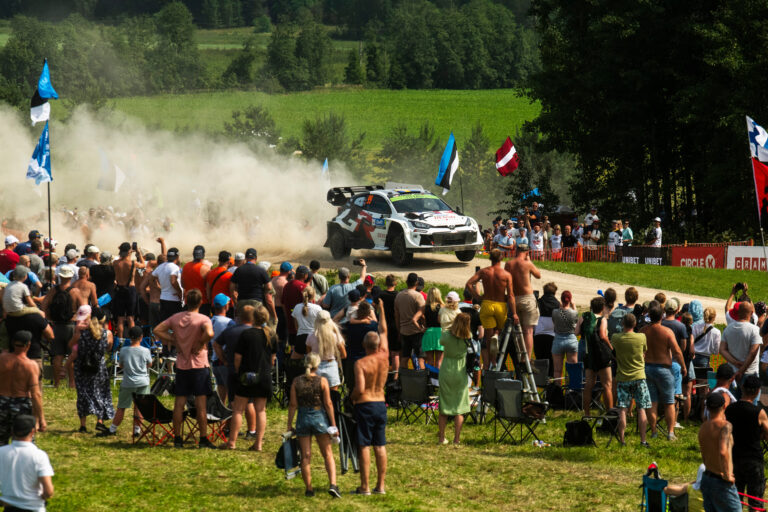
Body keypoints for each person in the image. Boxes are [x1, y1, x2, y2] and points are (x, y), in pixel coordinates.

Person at [153, 289, 215, 449]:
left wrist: (173, 340)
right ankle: (203, 438)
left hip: (182, 364)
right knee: (201, 404)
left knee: (179, 403)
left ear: (186, 301)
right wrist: (200, 343)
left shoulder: (176, 317)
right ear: (201, 302)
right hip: (199, 365)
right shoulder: (203, 318)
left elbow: (157, 330)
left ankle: (178, 438)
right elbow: (209, 333)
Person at [286, 353, 341, 498]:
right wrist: (333, 424)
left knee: (305, 456)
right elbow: (328, 404)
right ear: (318, 365)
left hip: (303, 418)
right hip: (319, 417)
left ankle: (309, 488)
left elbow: (292, 404)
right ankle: (333, 484)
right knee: (327, 453)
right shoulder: (322, 381)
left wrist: (289, 424)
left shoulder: (296, 381)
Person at [350, 299, 389, 496]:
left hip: (365, 404)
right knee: (380, 445)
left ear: (365, 345)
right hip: (381, 403)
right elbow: (384, 331)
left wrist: (352, 396)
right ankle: (380, 486)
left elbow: (360, 388)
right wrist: (381, 310)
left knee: (364, 445)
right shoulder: (385, 357)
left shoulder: (361, 363)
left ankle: (365, 486)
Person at [224, 306, 276, 451]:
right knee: (261, 410)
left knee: (238, 410)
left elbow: (237, 358)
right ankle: (258, 444)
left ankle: (232, 442)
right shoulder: (271, 335)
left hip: (247, 375)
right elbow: (272, 359)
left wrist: (237, 371)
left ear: (253, 318)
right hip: (264, 376)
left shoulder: (247, 334)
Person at [641, 304, 686, 440]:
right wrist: (683, 366)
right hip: (664, 369)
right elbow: (677, 351)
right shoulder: (667, 332)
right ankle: (670, 432)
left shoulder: (643, 331)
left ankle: (654, 431)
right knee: (669, 402)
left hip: (648, 368)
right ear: (662, 316)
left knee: (652, 402)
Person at [466, 249, 517, 369]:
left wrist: (477, 296)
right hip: (500, 305)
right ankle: (497, 334)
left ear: (490, 258)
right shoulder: (506, 275)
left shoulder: (484, 272)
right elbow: (510, 295)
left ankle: (490, 362)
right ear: (501, 258)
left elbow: (468, 284)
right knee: (498, 330)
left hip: (487, 304)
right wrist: (514, 313)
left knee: (488, 337)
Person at [99, 325, 151, 437]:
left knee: (121, 407)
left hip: (128, 382)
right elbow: (149, 364)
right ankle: (137, 430)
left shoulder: (124, 350)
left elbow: (121, 365)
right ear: (141, 337)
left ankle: (112, 429)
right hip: (142, 382)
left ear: (129, 338)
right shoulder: (145, 351)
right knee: (139, 408)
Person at [724, 375, 768, 510]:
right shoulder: (759, 412)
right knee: (755, 501)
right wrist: (760, 435)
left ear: (742, 388)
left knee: (735, 499)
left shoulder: (730, 409)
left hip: (734, 458)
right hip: (753, 459)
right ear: (757, 391)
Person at [70, 306, 114, 433]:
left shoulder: (81, 332)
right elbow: (109, 348)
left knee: (82, 393)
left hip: (82, 365)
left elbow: (72, 345)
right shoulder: (107, 333)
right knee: (100, 392)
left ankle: (83, 425)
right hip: (98, 366)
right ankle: (99, 421)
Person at [214, 304, 257, 436]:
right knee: (249, 403)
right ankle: (252, 430)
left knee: (233, 403)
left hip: (232, 369)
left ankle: (230, 429)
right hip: (249, 371)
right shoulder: (255, 332)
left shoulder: (230, 330)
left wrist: (224, 360)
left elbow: (216, 344)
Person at [0, 415, 54, 512]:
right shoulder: (39, 455)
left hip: (9, 507)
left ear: (12, 431)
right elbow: (48, 491)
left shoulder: (1, 452)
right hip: (34, 508)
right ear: (32, 431)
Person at [612, 314, 651, 447]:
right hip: (639, 376)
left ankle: (622, 440)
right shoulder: (641, 337)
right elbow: (644, 351)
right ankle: (643, 440)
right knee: (641, 409)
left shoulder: (616, 338)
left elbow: (614, 351)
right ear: (634, 325)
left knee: (622, 408)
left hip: (623, 377)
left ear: (623, 323)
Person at [698, 392, 741, 512]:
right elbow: (723, 451)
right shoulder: (725, 426)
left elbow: (704, 454)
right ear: (724, 407)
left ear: (707, 407)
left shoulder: (703, 427)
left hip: (706, 478)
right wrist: (727, 475)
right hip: (721, 481)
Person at [0, 331, 45, 444]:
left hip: (2, 401)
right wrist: (41, 418)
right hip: (21, 404)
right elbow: (35, 394)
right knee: (25, 441)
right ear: (28, 345)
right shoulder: (31, 365)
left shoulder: (2, 359)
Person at [437, 313, 472, 445]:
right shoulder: (468, 337)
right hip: (460, 370)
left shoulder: (446, 336)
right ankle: (456, 439)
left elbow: (441, 342)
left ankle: (441, 437)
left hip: (447, 369)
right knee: (460, 407)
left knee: (444, 406)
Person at [41, 265, 78, 388]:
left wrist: (49, 319)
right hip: (71, 325)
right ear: (71, 276)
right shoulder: (75, 291)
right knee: (71, 355)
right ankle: (71, 383)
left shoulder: (53, 290)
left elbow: (44, 305)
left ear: (60, 276)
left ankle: (57, 383)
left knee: (57, 356)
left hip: (57, 326)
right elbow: (84, 308)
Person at [720, 301, 762, 400]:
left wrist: (735, 363)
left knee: (733, 404)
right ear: (752, 313)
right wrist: (741, 370)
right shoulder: (755, 330)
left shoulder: (728, 329)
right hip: (750, 374)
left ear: (738, 313)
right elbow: (752, 353)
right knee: (750, 406)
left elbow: (722, 350)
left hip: (733, 373)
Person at [505, 244, 541, 358]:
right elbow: (538, 275)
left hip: (514, 298)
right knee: (528, 331)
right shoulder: (527, 263)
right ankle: (527, 359)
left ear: (516, 251)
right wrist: (529, 261)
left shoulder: (508, 264)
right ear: (527, 252)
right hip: (527, 298)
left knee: (518, 331)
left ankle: (520, 355)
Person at [579, 297, 614, 413]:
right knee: (607, 385)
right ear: (603, 308)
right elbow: (603, 335)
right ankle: (610, 414)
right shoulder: (602, 319)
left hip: (589, 356)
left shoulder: (585, 318)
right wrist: (611, 347)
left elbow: (576, 332)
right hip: (601, 356)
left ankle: (587, 414)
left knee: (588, 385)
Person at [230, 248, 276, 320]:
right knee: (257, 323)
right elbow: (269, 287)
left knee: (243, 323)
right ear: (256, 258)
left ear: (245, 258)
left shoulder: (238, 270)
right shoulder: (261, 270)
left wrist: (236, 303)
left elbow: (232, 288)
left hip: (242, 301)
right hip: (256, 301)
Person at [113, 242, 146, 340]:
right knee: (131, 318)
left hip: (119, 290)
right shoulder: (132, 263)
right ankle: (133, 339)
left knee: (120, 319)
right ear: (129, 252)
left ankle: (120, 340)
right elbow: (143, 265)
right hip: (130, 291)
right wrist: (138, 252)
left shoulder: (115, 263)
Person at [306, 311, 346, 391]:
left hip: (316, 366)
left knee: (317, 394)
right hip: (331, 364)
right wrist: (336, 361)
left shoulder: (311, 336)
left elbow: (309, 354)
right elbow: (344, 355)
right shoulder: (335, 336)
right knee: (333, 394)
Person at [394, 272, 426, 371]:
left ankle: (403, 381)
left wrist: (399, 331)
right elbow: (422, 314)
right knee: (420, 358)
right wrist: (424, 327)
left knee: (404, 358)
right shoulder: (418, 296)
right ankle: (422, 380)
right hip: (416, 331)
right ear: (416, 283)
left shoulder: (399, 296)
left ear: (407, 282)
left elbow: (397, 316)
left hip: (404, 331)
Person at [551, 291, 578, 381]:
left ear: (561, 300)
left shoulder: (555, 312)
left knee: (557, 371)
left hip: (558, 340)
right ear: (570, 300)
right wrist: (573, 306)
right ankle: (571, 391)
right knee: (573, 370)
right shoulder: (574, 313)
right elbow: (576, 321)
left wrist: (561, 306)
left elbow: (555, 321)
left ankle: (558, 391)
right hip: (571, 340)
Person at [534, 282, 559, 377]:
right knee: (551, 361)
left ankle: (540, 380)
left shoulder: (538, 302)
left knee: (540, 360)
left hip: (538, 335)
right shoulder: (557, 304)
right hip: (552, 336)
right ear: (554, 292)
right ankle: (551, 381)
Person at [152, 247, 183, 323]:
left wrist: (159, 287)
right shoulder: (175, 267)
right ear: (178, 257)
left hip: (163, 298)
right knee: (176, 323)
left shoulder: (160, 266)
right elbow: (173, 281)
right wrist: (180, 292)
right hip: (174, 299)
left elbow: (152, 278)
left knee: (165, 323)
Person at [181, 245, 211, 316]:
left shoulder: (185, 266)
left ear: (193, 254)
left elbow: (183, 284)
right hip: (202, 302)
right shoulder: (205, 268)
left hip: (188, 301)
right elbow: (208, 288)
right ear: (203, 255)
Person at [379, 275, 400, 373]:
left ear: (385, 283)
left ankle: (384, 374)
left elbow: (374, 305)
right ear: (395, 283)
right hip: (395, 325)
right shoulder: (398, 295)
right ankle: (395, 375)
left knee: (384, 350)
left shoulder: (381, 295)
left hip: (383, 325)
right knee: (395, 353)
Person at [421, 287, 444, 370]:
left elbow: (416, 318)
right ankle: (438, 381)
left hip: (429, 332)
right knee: (439, 361)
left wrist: (422, 328)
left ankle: (429, 379)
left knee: (430, 361)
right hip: (440, 333)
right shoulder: (442, 306)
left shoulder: (425, 307)